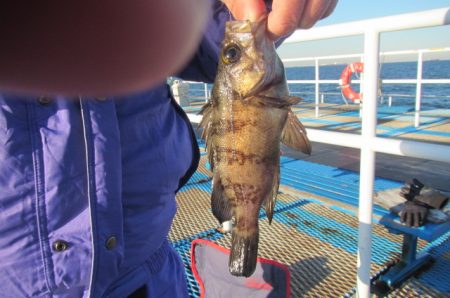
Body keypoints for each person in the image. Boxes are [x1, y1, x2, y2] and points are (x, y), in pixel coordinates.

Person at [0, 0, 337, 297]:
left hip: (149, 278)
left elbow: (208, 36)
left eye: (232, 55)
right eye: (233, 54)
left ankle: (244, 225)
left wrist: (254, 5)